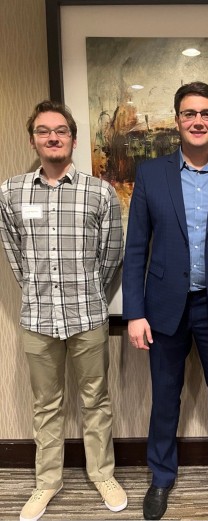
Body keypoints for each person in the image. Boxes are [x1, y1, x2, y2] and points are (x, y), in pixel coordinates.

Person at [123, 81, 208, 520]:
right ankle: (161, 478)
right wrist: (134, 313)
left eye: (207, 113)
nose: (198, 121)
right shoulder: (151, 174)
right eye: (189, 113)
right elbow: (136, 249)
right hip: (164, 307)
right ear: (177, 120)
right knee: (165, 398)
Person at [0, 100, 126, 521]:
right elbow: (15, 257)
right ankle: (47, 482)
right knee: (46, 405)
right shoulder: (10, 191)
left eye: (60, 130)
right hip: (37, 319)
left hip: (88, 317)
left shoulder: (100, 192)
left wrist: (91, 292)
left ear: (73, 137)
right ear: (33, 138)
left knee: (96, 401)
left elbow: (112, 255)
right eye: (43, 131)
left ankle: (102, 474)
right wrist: (38, 290)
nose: (52, 137)